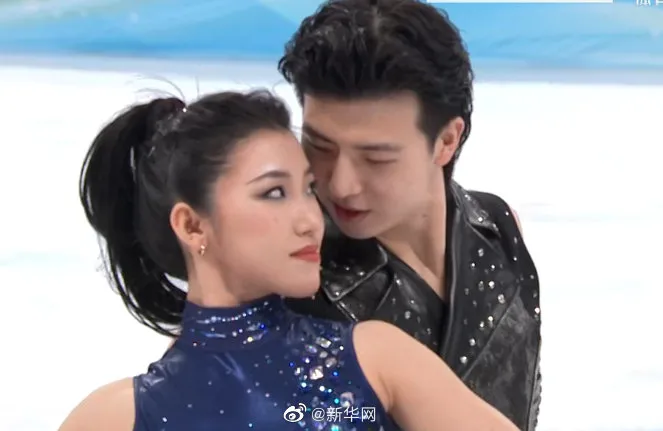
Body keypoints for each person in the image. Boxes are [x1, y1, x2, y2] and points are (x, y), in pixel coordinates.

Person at [58, 90, 518, 431]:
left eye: (308, 189)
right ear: (193, 226)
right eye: (274, 192)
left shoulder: (376, 361)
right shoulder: (115, 416)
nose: (310, 220)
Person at [277, 0, 542, 430]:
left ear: (447, 141)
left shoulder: (498, 227)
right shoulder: (284, 276)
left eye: (376, 158)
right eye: (320, 146)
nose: (341, 185)